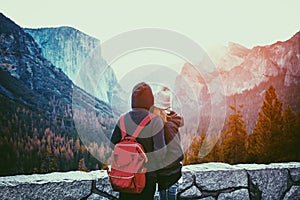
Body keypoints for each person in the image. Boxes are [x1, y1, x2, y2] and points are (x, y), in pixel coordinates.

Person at [110, 82, 167, 200]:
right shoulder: (155, 121)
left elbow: (112, 145)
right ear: (150, 101)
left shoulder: (122, 119)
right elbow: (160, 154)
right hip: (146, 179)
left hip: (125, 177)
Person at [152, 87, 184, 200]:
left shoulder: (167, 126)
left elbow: (178, 153)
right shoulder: (167, 122)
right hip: (168, 175)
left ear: (158, 109)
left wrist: (159, 164)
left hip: (169, 176)